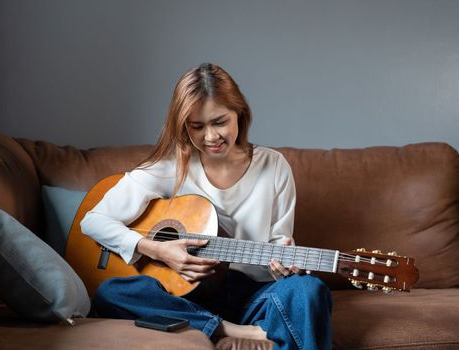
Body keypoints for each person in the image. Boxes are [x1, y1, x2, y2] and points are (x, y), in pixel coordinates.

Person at [80, 63, 332, 350]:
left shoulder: (273, 166)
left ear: (240, 113)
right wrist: (156, 249)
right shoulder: (169, 168)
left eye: (220, 122)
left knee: (309, 290)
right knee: (110, 292)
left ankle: (224, 327)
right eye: (197, 126)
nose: (210, 137)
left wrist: (283, 265)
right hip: (182, 298)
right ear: (183, 126)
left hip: (252, 294)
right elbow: (93, 221)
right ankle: (232, 330)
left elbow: (278, 245)